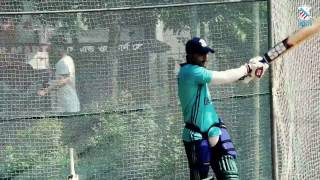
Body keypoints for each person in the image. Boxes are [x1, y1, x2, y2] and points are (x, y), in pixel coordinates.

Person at [177, 37, 269, 180]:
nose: (205, 58)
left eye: (206, 53)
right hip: (196, 134)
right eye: (201, 54)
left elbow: (233, 78)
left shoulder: (198, 71)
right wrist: (247, 68)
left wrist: (249, 76)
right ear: (190, 55)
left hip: (215, 129)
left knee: (231, 175)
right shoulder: (190, 72)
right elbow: (224, 77)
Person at [38, 47, 80, 113]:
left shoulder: (62, 62)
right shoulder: (69, 59)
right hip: (69, 100)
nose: (52, 53)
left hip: (66, 102)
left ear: (58, 50)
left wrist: (46, 90)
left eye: (53, 50)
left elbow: (62, 81)